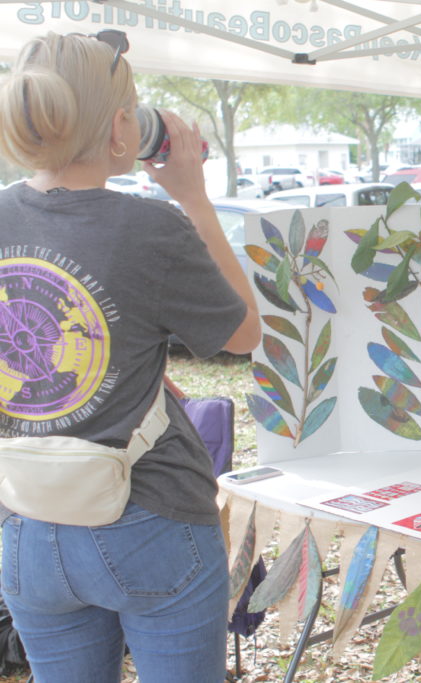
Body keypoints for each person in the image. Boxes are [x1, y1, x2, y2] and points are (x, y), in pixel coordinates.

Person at [0, 31, 260, 682]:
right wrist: (193, 195)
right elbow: (243, 332)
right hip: (152, 518)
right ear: (122, 130)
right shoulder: (151, 226)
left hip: (26, 521)